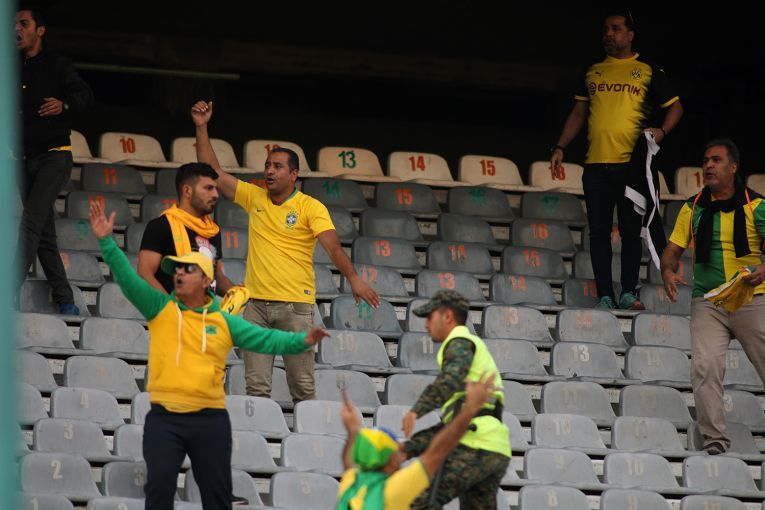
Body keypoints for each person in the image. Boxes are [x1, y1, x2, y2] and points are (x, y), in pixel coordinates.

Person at [88, 200, 330, 509]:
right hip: (165, 419)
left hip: (210, 421)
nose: (178, 273)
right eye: (176, 268)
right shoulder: (160, 309)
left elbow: (266, 339)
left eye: (188, 269)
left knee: (217, 498)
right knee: (158, 491)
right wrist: (107, 243)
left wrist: (302, 340)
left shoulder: (224, 322)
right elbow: (127, 279)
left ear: (206, 281)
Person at [191, 100, 380, 403]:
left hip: (296, 308)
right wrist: (201, 127)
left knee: (302, 387)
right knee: (256, 389)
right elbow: (211, 172)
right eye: (268, 165)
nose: (270, 171)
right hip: (255, 308)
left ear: (294, 175)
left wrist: (354, 278)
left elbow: (332, 246)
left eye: (278, 167)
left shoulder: (310, 207)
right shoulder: (254, 197)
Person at [550, 10, 683, 310]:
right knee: (598, 233)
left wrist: (662, 131)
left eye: (616, 28)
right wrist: (560, 146)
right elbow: (579, 113)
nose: (609, 34)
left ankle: (628, 292)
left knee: (630, 231)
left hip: (632, 166)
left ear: (630, 34)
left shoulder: (648, 70)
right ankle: (605, 296)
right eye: (605, 29)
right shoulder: (592, 70)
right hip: (595, 165)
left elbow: (676, 108)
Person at [661, 138, 765, 455]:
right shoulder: (693, 208)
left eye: (716, 160)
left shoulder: (756, 205)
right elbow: (671, 252)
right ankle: (714, 439)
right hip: (708, 302)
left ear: (733, 167)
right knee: (705, 367)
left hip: (751, 297)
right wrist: (667, 271)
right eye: (705, 160)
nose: (708, 165)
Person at [15, 5, 94, 314]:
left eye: (23, 23)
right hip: (24, 159)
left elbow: (85, 95)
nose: (16, 29)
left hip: (54, 156)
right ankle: (65, 301)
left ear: (40, 30)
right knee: (44, 234)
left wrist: (65, 105)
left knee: (31, 224)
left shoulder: (58, 64)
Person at [400, 290, 510, 510]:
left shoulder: (458, 342)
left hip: (473, 443)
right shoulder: (473, 345)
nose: (426, 324)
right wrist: (409, 448)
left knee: (416, 503)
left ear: (448, 316)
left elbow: (449, 380)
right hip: (496, 446)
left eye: (430, 317)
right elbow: (449, 427)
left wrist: (417, 410)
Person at [337, 372, 499, 509]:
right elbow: (438, 450)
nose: (400, 457)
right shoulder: (393, 491)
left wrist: (353, 431)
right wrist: (470, 409)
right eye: (396, 452)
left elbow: (348, 463)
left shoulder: (351, 484)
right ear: (390, 461)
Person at [138, 162, 236, 295]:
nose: (216, 195)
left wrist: (237, 294)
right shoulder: (161, 226)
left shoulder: (213, 230)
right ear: (187, 191)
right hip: (171, 306)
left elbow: (216, 277)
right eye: (208, 188)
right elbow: (144, 274)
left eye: (215, 189)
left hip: (206, 307)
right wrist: (170, 305)